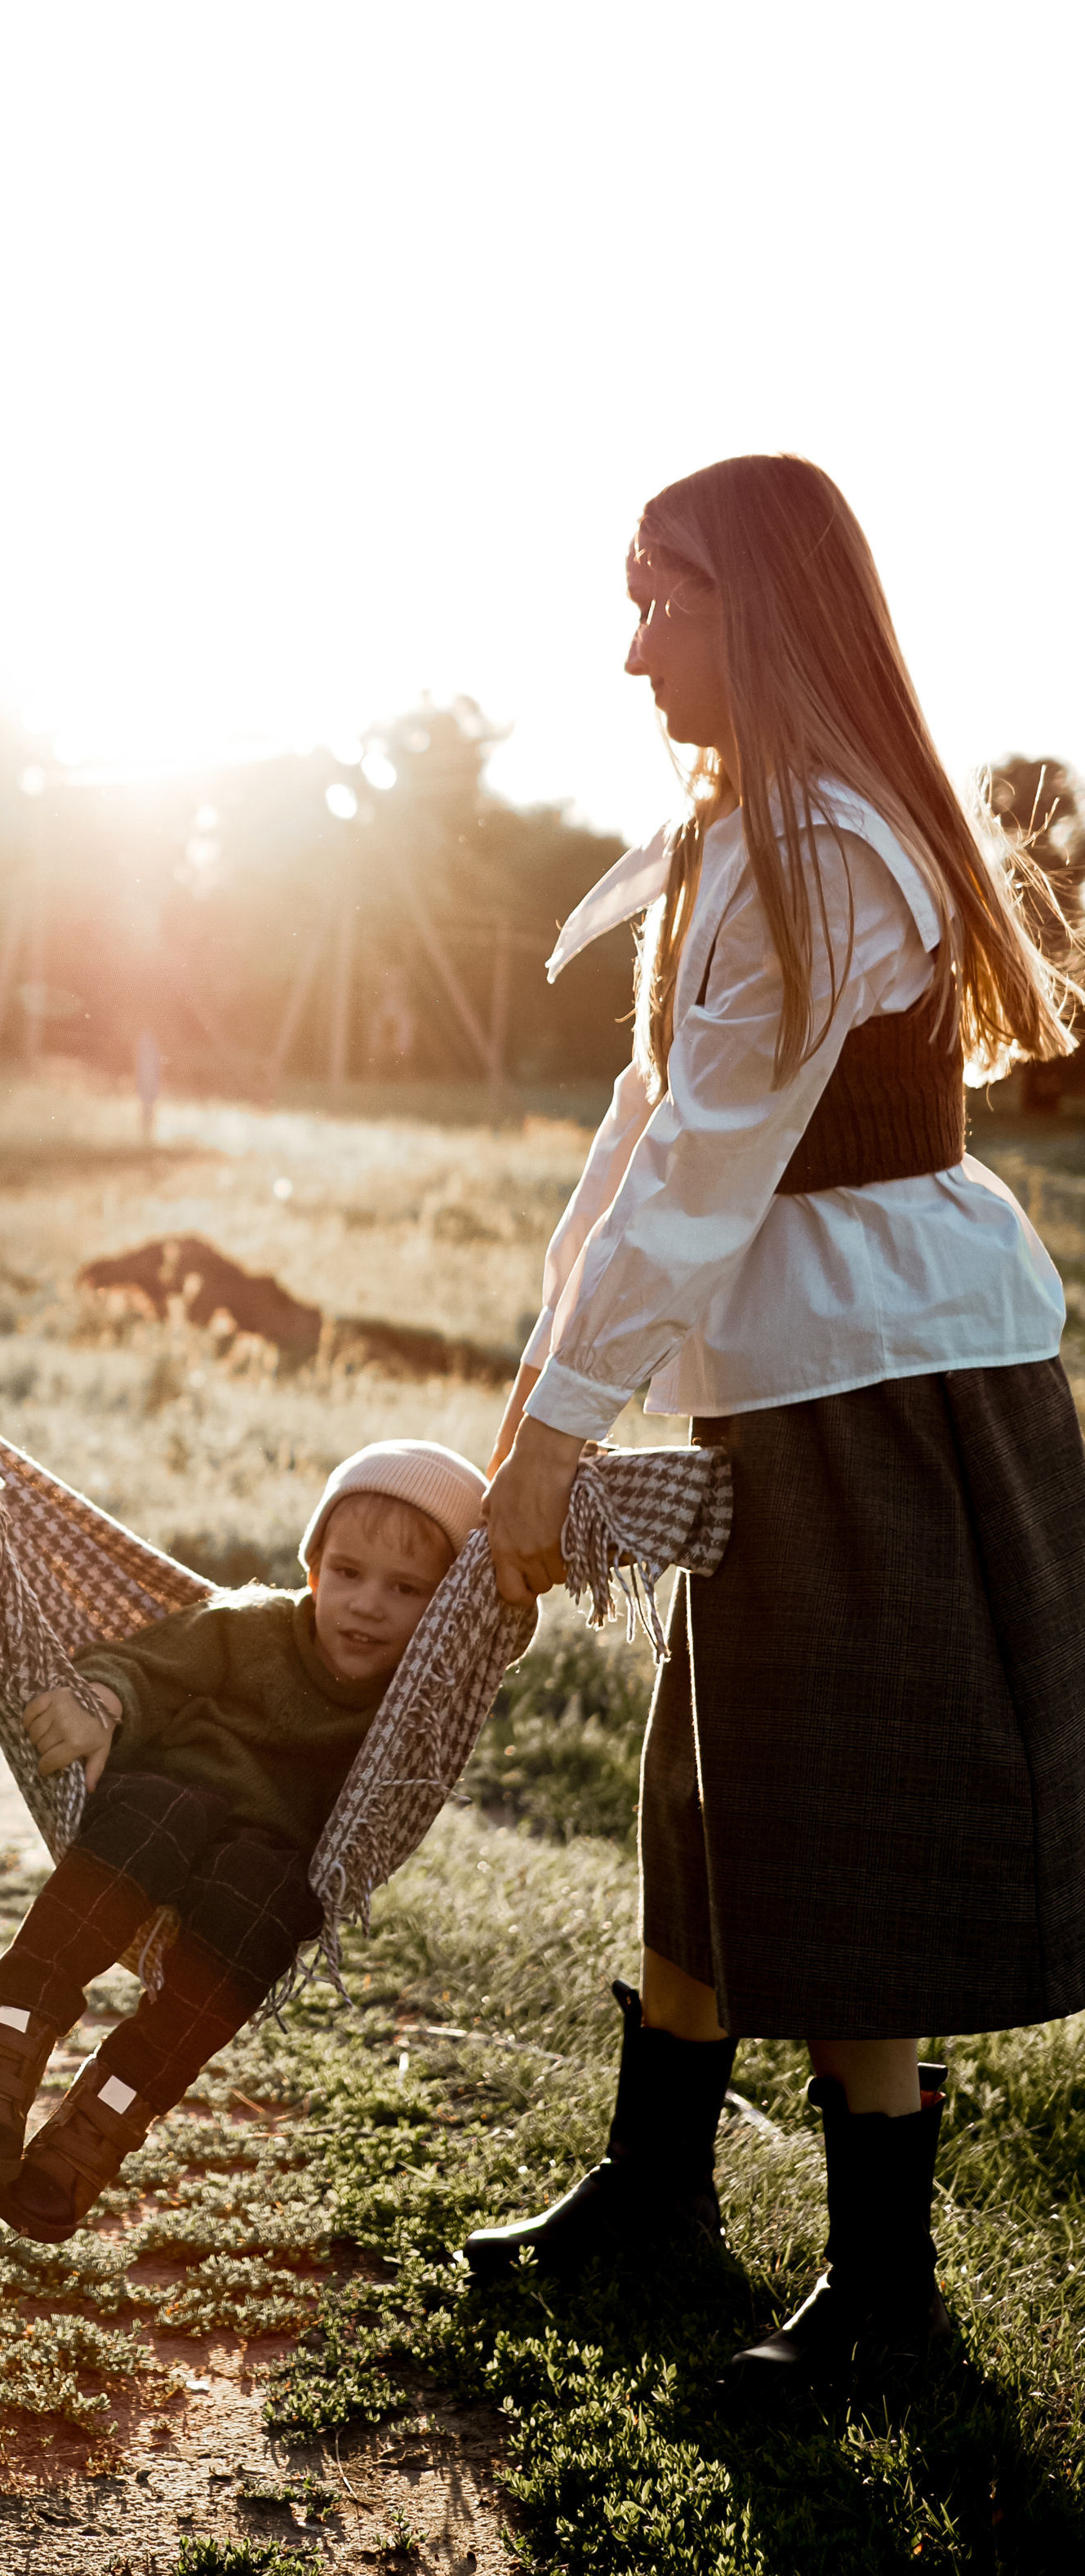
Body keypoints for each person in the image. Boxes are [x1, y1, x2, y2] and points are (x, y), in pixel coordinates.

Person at [470, 454, 1085, 2392]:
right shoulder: (734, 834)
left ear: (764, 608)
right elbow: (640, 1132)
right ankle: (656, 2186)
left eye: (658, 600)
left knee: (837, 1808)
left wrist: (562, 1434)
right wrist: (541, 1385)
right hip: (781, 1378)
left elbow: (703, 1169)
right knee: (706, 1783)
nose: (629, 647)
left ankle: (883, 2294)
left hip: (880, 1378)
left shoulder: (825, 849)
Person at [0, 1439, 487, 2240]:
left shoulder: (416, 1698)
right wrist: (103, 1705)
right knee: (163, 1812)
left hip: (255, 1857)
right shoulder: (250, 1624)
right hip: (159, 1811)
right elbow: (144, 1666)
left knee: (271, 1904)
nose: (367, 1604)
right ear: (313, 1570)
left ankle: (101, 2120)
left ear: (445, 1612)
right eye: (348, 1572)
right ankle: (5, 2044)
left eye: (406, 1588)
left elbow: (496, 1628)